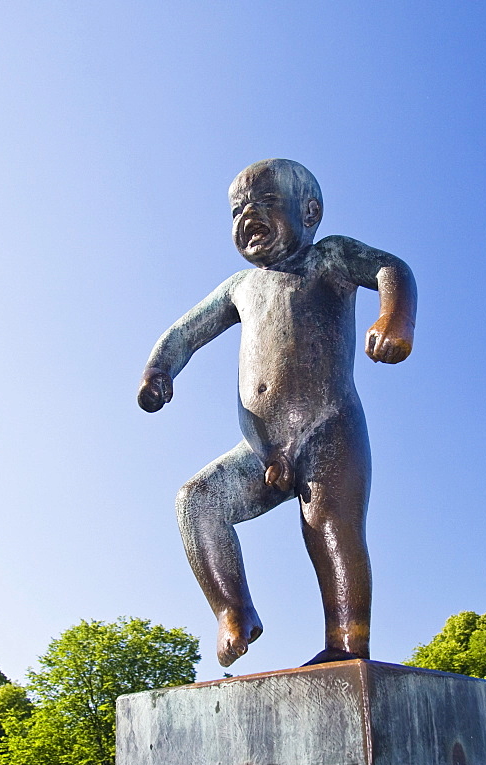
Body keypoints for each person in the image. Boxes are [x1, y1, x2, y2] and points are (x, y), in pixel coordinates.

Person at [138, 158, 417, 667]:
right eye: (238, 209)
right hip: (261, 449)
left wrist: (394, 318)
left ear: (309, 212)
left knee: (328, 524)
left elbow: (390, 268)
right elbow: (185, 331)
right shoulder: (239, 287)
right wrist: (159, 370)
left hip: (328, 429)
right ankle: (234, 610)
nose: (249, 215)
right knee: (196, 502)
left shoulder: (330, 257)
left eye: (265, 202)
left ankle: (346, 643)